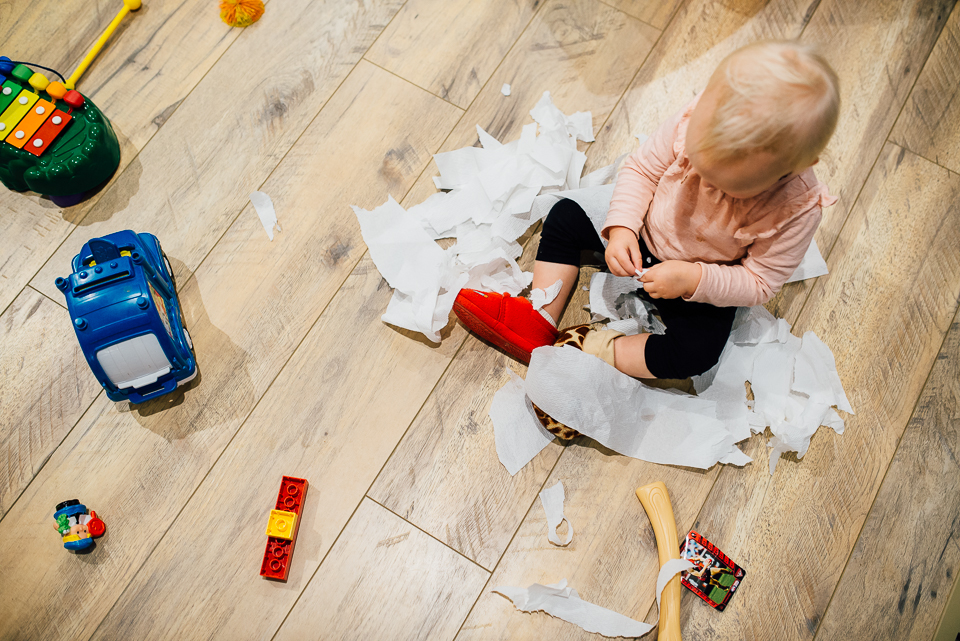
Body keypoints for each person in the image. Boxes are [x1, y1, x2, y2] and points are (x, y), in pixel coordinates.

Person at [454, 40, 840, 380]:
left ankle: (596, 350)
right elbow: (642, 169)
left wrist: (693, 280)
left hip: (701, 279)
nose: (706, 184)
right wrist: (622, 228)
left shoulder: (797, 208)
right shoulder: (695, 120)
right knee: (566, 215)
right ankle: (539, 312)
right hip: (645, 233)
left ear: (798, 165)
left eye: (727, 187)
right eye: (699, 166)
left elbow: (759, 283)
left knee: (697, 354)